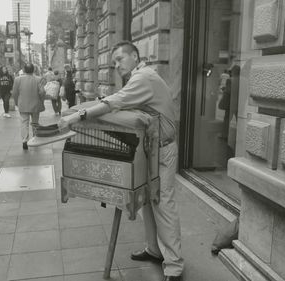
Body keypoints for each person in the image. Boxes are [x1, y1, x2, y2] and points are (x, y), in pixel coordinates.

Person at [58, 41, 183, 281]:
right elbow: (120, 103)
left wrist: (77, 115)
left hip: (163, 150)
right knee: (148, 200)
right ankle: (155, 250)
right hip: (151, 148)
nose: (116, 65)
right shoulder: (141, 77)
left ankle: (175, 266)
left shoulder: (143, 78)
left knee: (163, 204)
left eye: (119, 59)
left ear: (135, 56)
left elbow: (114, 102)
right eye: (113, 62)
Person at [12, 63, 45, 150]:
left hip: (23, 105)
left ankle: (25, 141)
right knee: (35, 123)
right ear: (33, 70)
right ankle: (35, 139)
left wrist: (17, 102)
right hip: (36, 105)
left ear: (24, 70)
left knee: (24, 123)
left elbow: (14, 93)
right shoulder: (39, 79)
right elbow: (42, 92)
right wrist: (42, 100)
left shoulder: (17, 79)